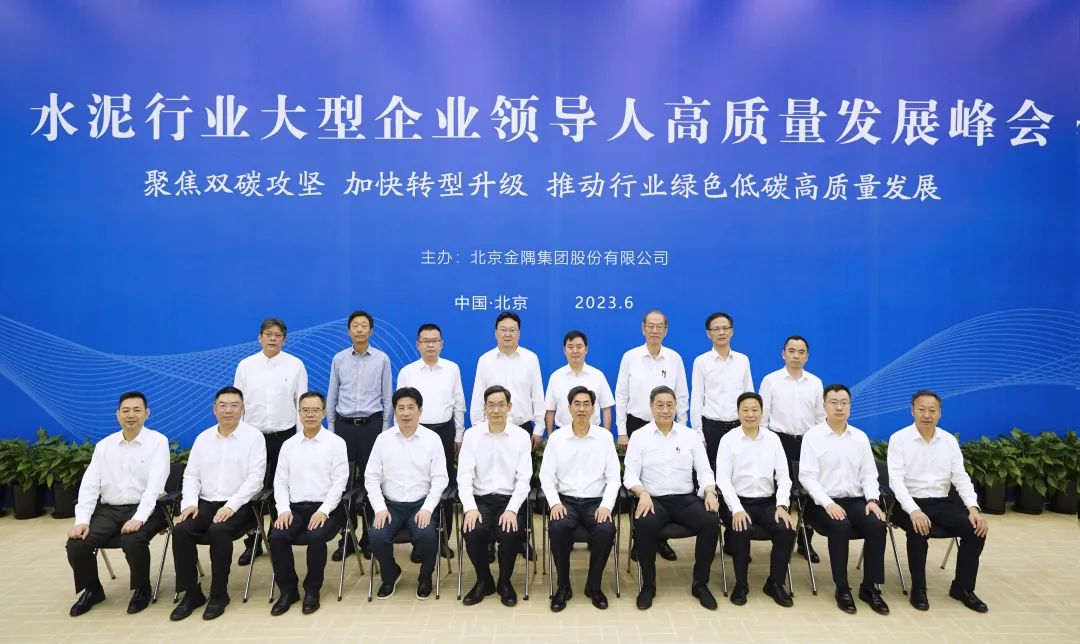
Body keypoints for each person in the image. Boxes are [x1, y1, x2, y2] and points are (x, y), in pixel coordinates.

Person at [66, 391, 169, 617]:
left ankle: (142, 589)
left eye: (137, 410)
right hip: (110, 510)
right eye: (126, 410)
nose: (131, 415)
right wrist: (81, 521)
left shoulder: (158, 442)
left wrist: (139, 518)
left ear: (147, 413)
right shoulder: (104, 446)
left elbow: (155, 487)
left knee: (132, 539)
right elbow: (89, 485)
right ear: (118, 415)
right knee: (76, 543)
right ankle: (93, 590)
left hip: (149, 508)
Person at [170, 386, 267, 621]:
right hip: (205, 504)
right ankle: (191, 593)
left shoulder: (254, 437)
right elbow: (191, 476)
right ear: (214, 409)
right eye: (222, 405)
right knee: (181, 530)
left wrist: (231, 506)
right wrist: (189, 504)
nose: (228, 410)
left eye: (234, 405)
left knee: (218, 530)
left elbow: (255, 479)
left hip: (241, 505)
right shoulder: (203, 438)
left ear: (243, 408)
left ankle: (219, 594)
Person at [887, 390, 989, 613]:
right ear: (912, 411)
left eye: (932, 410)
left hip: (942, 502)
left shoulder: (949, 441)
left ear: (940, 413)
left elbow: (960, 477)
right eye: (921, 409)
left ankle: (962, 588)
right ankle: (919, 589)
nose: (927, 415)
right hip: (908, 503)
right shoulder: (899, 439)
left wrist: (973, 508)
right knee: (918, 529)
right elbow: (896, 482)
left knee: (975, 530)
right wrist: (914, 511)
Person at [624, 385, 721, 611]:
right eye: (660, 405)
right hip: (653, 500)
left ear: (676, 407)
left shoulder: (690, 436)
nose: (665, 410)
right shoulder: (639, 436)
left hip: (685, 499)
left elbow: (705, 471)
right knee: (644, 523)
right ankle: (648, 585)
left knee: (710, 521)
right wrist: (642, 493)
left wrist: (709, 491)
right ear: (651, 407)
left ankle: (700, 584)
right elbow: (629, 475)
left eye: (669, 405)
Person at [799, 384, 890, 615]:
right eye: (833, 402)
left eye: (844, 403)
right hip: (822, 503)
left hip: (856, 501)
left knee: (877, 524)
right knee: (840, 525)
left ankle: (870, 587)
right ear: (824, 406)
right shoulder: (813, 437)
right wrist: (828, 503)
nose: (839, 407)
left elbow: (869, 475)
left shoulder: (859, 437)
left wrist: (872, 500)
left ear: (850, 406)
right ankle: (842, 588)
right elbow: (807, 477)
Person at [614, 309, 688, 561]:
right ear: (643, 328)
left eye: (659, 326)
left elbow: (682, 395)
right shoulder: (630, 357)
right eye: (650, 326)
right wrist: (622, 431)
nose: (655, 331)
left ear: (666, 330)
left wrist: (683, 429)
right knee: (640, 482)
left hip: (668, 426)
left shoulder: (674, 358)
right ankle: (641, 538)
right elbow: (621, 395)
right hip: (637, 425)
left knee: (662, 479)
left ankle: (660, 539)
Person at [233, 317, 308, 566]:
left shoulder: (295, 365)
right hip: (252, 438)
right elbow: (237, 404)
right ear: (260, 337)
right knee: (251, 490)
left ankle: (278, 537)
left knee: (280, 489)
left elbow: (301, 403)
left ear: (284, 339)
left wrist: (300, 439)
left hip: (285, 436)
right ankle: (253, 540)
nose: (273, 339)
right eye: (268, 334)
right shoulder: (246, 366)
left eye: (278, 335)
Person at [267, 391, 349, 616]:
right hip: (294, 508)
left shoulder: (336, 443)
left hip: (328, 508)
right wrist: (283, 510)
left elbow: (339, 483)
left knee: (315, 536)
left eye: (315, 410)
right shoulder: (289, 445)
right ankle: (288, 590)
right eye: (305, 410)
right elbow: (280, 481)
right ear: (299, 413)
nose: (310, 414)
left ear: (324, 413)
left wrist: (323, 511)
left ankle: (312, 589)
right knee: (277, 536)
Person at [540, 386, 621, 612]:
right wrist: (555, 503)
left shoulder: (604, 438)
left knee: (606, 529)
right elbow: (546, 476)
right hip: (565, 501)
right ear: (569, 408)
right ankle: (563, 586)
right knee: (558, 527)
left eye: (587, 404)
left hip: (596, 502)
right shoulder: (557, 438)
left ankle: (593, 586)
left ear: (594, 409)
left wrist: (606, 506)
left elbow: (614, 478)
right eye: (577, 404)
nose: (582, 409)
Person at [365, 387, 449, 600]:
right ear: (394, 411)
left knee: (427, 536)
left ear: (420, 410)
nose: (405, 413)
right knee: (376, 537)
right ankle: (390, 574)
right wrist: (380, 508)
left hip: (421, 504)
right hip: (390, 505)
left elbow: (440, 479)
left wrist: (427, 508)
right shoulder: (383, 440)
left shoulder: (432, 439)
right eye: (400, 408)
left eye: (411, 407)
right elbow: (371, 477)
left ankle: (425, 577)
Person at [715, 392, 795, 607]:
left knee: (786, 529)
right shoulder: (728, 440)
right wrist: (737, 509)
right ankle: (741, 585)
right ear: (738, 412)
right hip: (737, 502)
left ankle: (775, 583)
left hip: (768, 503)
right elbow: (722, 480)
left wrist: (782, 505)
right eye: (745, 410)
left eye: (754, 410)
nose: (750, 414)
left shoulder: (773, 439)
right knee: (740, 529)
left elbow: (784, 477)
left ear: (762, 412)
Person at [327, 310, 393, 561]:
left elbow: (387, 398)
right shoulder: (339, 359)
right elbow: (332, 396)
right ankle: (347, 537)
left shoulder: (382, 359)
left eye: (364, 325)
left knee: (371, 482)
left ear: (371, 331)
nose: (359, 329)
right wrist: (331, 429)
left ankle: (369, 537)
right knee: (343, 483)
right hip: (344, 426)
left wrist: (384, 431)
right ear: (348, 331)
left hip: (371, 427)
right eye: (355, 325)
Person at [457, 386, 532, 607]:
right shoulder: (472, 436)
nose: (496, 410)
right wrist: (470, 507)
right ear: (484, 408)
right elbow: (464, 476)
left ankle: (505, 582)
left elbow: (524, 479)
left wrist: (512, 509)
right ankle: (484, 580)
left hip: (509, 500)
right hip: (480, 499)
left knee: (510, 531)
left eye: (501, 405)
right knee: (473, 530)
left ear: (509, 407)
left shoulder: (521, 436)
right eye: (491, 405)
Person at [759, 335, 825, 563]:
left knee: (808, 493)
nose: (796, 356)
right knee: (781, 490)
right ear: (783, 354)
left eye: (801, 352)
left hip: (808, 443)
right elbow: (763, 417)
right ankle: (782, 539)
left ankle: (805, 542)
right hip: (779, 442)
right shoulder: (771, 380)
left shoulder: (815, 383)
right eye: (791, 351)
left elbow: (820, 418)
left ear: (807, 356)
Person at [471, 311, 545, 449]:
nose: (507, 334)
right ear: (496, 333)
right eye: (503, 330)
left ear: (519, 333)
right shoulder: (485, 360)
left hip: (523, 428)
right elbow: (478, 397)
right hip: (491, 429)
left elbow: (537, 396)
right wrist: (478, 428)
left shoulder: (531, 359)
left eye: (512, 330)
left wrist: (539, 429)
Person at [691, 311, 753, 468]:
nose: (721, 332)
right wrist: (698, 433)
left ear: (732, 331)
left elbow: (749, 396)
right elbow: (697, 399)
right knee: (713, 470)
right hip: (712, 428)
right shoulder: (701, 362)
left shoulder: (743, 360)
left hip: (739, 426)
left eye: (725, 328)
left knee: (739, 469)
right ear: (708, 334)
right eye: (716, 329)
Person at [544, 330, 614, 434]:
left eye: (579, 346)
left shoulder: (598, 376)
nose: (575, 351)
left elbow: (606, 408)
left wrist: (605, 436)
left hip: (593, 433)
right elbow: (550, 410)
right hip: (562, 434)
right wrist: (550, 437)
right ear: (564, 350)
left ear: (586, 349)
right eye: (570, 347)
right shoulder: (555, 377)